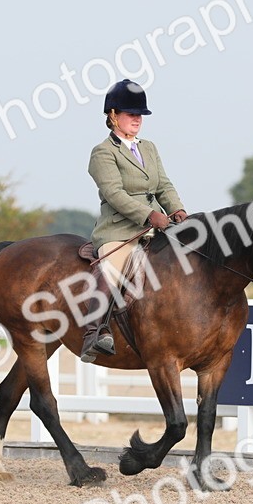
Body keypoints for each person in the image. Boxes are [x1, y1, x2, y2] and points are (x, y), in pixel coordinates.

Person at [82, 79, 188, 362]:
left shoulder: (149, 148)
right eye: (131, 114)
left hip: (157, 227)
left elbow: (163, 184)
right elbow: (114, 194)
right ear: (113, 115)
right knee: (113, 266)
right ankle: (94, 332)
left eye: (140, 115)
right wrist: (149, 215)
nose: (137, 120)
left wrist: (177, 209)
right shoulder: (103, 153)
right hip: (119, 230)